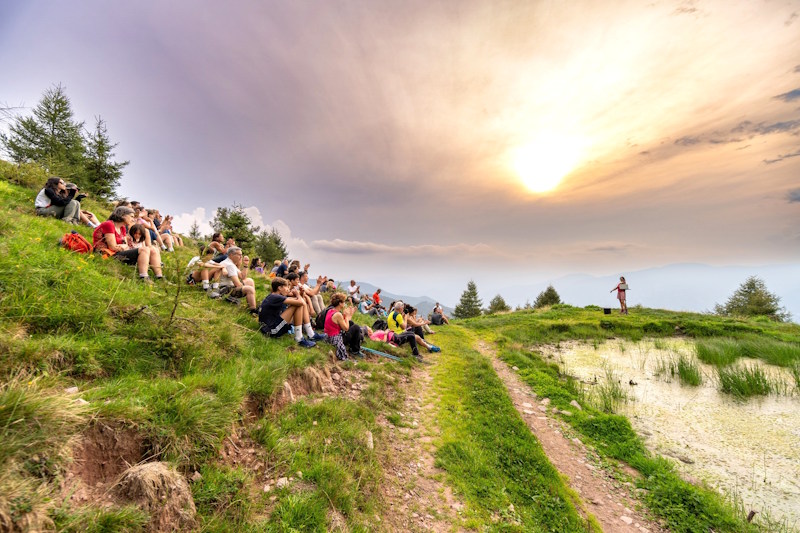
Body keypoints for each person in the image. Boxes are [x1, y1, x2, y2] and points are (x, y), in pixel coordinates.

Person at [92, 206, 165, 281]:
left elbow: (125, 245)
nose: (133, 219)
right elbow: (112, 247)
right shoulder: (109, 224)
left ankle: (159, 277)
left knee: (152, 248)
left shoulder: (122, 228)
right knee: (144, 249)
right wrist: (122, 246)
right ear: (122, 215)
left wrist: (123, 246)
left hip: (118, 252)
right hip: (107, 254)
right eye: (131, 216)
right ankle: (144, 277)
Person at [258, 278, 322, 348]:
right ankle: (301, 337)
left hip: (270, 327)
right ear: (279, 288)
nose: (288, 289)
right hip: (271, 330)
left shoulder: (274, 296)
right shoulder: (275, 297)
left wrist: (301, 293)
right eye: (286, 287)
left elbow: (300, 300)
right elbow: (301, 302)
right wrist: (297, 294)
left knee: (298, 304)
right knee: (298, 304)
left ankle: (309, 334)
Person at [216, 246, 258, 315]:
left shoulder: (231, 263)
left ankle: (252, 302)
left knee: (250, 280)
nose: (241, 257)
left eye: (241, 255)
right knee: (249, 289)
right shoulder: (229, 265)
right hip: (224, 289)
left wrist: (245, 265)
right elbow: (237, 284)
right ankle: (253, 311)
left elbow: (242, 277)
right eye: (239, 255)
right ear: (231, 255)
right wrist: (245, 288)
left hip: (228, 286)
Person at [322, 292, 359, 360]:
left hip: (328, 336)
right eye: (343, 302)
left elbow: (343, 322)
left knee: (351, 323)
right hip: (334, 338)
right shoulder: (338, 314)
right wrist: (347, 316)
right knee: (356, 327)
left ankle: (353, 346)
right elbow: (346, 328)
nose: (344, 303)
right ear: (340, 303)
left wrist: (349, 315)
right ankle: (355, 350)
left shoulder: (330, 311)